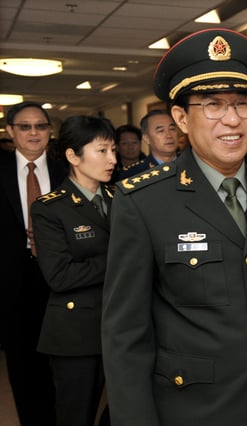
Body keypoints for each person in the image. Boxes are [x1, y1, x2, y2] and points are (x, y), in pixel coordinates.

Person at [102, 28, 247, 426]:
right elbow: (125, 335)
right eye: (212, 105)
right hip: (195, 408)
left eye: (243, 104)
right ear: (180, 117)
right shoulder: (143, 202)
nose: (232, 120)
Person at [31, 115, 116, 426]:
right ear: (73, 156)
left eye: (113, 150)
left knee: (126, 410)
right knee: (75, 415)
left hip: (122, 327)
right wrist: (121, 258)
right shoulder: (49, 208)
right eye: (102, 151)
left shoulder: (122, 198)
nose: (113, 160)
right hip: (75, 334)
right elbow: (60, 275)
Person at [0, 101, 62, 425]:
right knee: (23, 367)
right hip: (12, 282)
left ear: (50, 131)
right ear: (11, 131)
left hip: (62, 278)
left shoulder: (69, 169)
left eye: (41, 125)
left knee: (64, 367)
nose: (34, 132)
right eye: (25, 126)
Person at [118, 110, 177, 178]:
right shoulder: (133, 174)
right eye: (161, 131)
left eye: (172, 129)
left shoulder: (190, 163)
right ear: (146, 138)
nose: (169, 136)